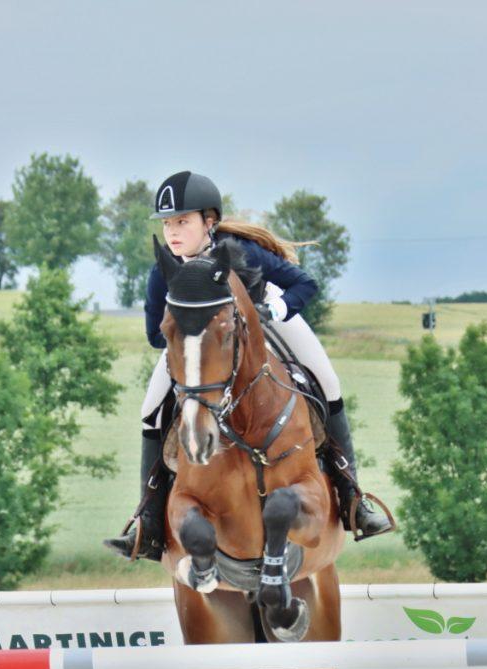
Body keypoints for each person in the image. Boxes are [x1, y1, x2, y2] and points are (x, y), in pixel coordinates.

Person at [106, 170, 391, 561]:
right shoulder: (164, 271)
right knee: (149, 410)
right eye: (168, 224)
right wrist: (191, 334)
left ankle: (353, 498)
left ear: (209, 221)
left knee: (328, 382)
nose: (172, 232)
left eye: (182, 222)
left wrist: (273, 309)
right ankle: (149, 522)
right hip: (199, 348)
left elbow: (305, 284)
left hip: (268, 322)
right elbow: (156, 336)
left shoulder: (241, 250)